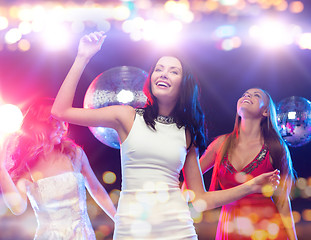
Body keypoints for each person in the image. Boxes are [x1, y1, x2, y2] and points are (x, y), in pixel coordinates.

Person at [51, 31, 280, 240]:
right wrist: (82, 57)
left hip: (179, 230)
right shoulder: (127, 116)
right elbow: (60, 111)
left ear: (184, 84)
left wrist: (250, 186)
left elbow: (200, 200)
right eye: (159, 68)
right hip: (132, 230)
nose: (164, 74)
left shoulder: (187, 132)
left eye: (173, 71)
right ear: (151, 78)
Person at [0, 99, 116, 240]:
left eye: (63, 121)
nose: (63, 127)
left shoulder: (74, 154)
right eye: (55, 122)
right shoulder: (26, 168)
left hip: (83, 235)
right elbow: (18, 208)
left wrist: (119, 220)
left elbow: (97, 190)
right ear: (39, 125)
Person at [200, 88, 297, 239]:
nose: (247, 96)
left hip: (268, 232)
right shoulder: (220, 144)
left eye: (256, 95)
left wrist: (293, 238)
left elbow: (283, 202)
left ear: (265, 112)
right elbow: (190, 173)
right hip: (229, 231)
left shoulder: (276, 147)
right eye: (245, 94)